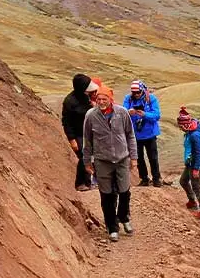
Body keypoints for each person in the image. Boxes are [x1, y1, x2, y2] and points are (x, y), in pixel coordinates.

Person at [82, 85, 137, 241]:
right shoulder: (91, 116)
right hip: (102, 160)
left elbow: (130, 136)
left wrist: (134, 158)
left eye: (104, 99)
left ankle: (124, 217)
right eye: (98, 99)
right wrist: (87, 162)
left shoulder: (122, 113)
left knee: (125, 191)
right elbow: (87, 140)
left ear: (110, 99)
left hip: (121, 158)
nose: (101, 102)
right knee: (106, 194)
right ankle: (112, 227)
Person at [123, 80, 163, 187]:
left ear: (142, 90)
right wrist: (128, 112)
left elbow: (157, 115)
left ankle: (156, 178)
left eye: (138, 92)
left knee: (153, 157)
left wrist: (145, 114)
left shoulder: (151, 99)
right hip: (135, 134)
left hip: (150, 133)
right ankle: (144, 179)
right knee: (139, 157)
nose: (136, 95)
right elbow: (122, 112)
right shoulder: (128, 98)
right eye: (134, 92)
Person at [61, 74, 95, 191]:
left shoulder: (86, 98)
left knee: (91, 156)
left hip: (89, 132)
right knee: (83, 156)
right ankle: (81, 183)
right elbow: (66, 122)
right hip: (78, 134)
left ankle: (90, 181)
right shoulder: (70, 102)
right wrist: (71, 139)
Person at [177, 107, 200, 220]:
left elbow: (199, 152)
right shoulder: (190, 131)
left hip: (195, 164)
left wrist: (196, 169)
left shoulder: (194, 135)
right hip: (190, 163)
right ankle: (192, 201)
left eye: (181, 126)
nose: (180, 129)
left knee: (196, 186)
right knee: (183, 181)